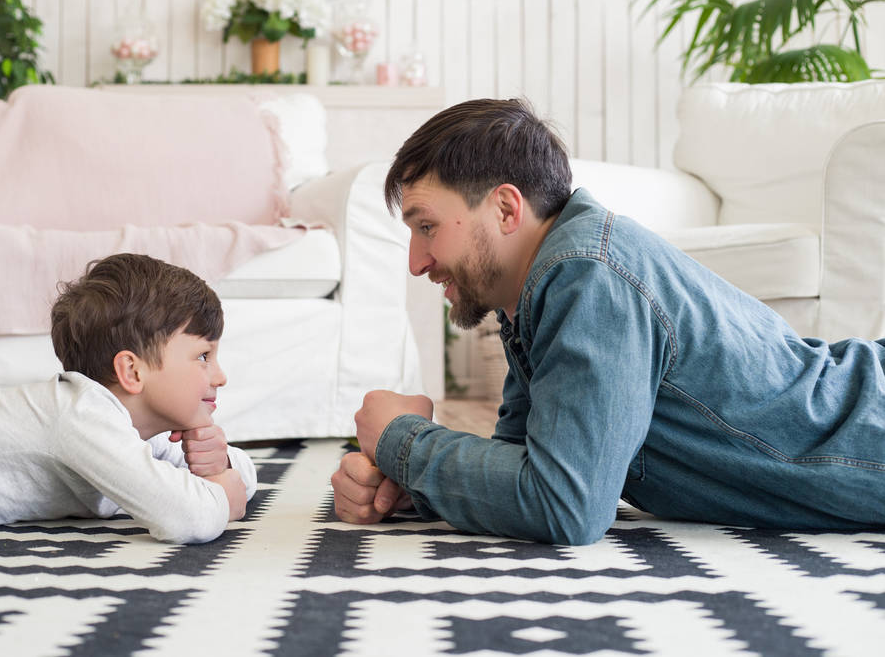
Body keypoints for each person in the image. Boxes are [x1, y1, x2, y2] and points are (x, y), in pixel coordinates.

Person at [331, 97, 885, 545]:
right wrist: (405, 483)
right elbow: (523, 464)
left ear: (505, 209)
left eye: (425, 226)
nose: (415, 261)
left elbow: (564, 505)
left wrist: (403, 440)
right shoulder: (541, 285)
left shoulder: (586, 274)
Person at [0, 253, 255, 544]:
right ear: (132, 372)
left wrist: (218, 462)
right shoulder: (80, 416)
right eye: (203, 357)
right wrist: (222, 491)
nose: (220, 376)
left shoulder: (135, 428)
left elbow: (243, 476)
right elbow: (188, 517)